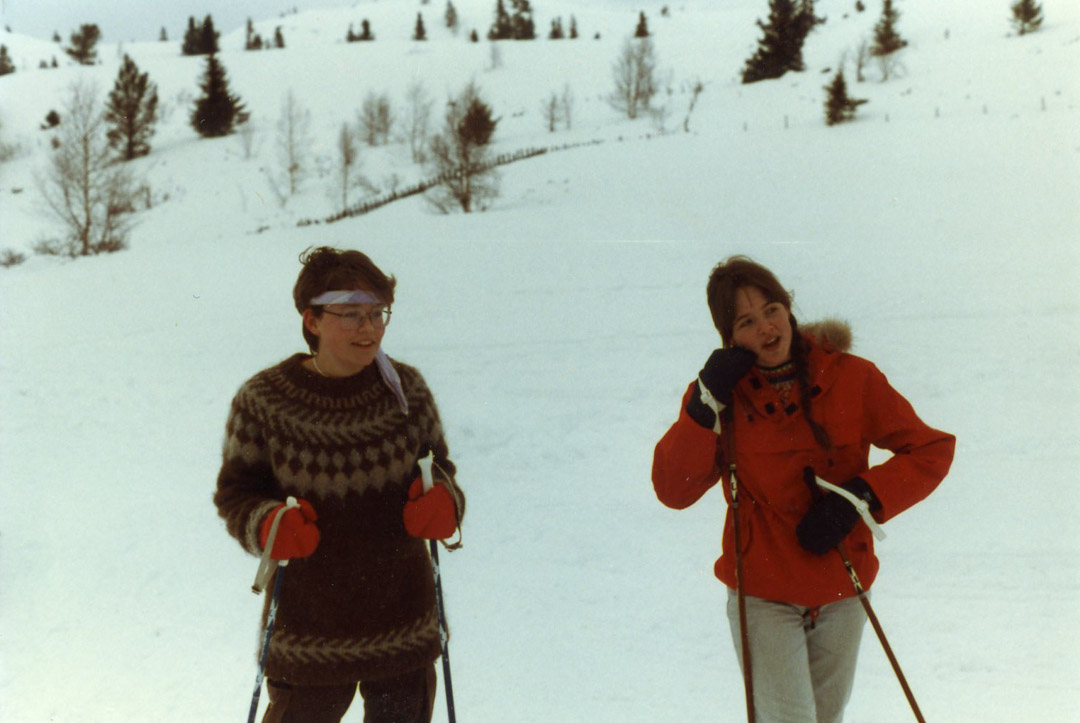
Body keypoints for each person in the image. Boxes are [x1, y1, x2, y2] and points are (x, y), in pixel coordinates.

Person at [651, 256, 954, 723]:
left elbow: (931, 450)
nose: (766, 328)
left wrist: (859, 498)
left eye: (771, 310)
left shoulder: (851, 377)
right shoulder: (719, 396)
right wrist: (703, 406)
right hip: (763, 593)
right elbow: (674, 489)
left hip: (843, 588)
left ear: (788, 308)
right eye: (746, 322)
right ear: (729, 338)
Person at [214, 246, 464, 723]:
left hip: (403, 628)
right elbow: (236, 493)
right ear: (312, 320)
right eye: (350, 315)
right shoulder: (264, 401)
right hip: (309, 636)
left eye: (376, 313)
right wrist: (266, 523)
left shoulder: (406, 392)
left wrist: (445, 503)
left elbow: (440, 470)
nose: (368, 328)